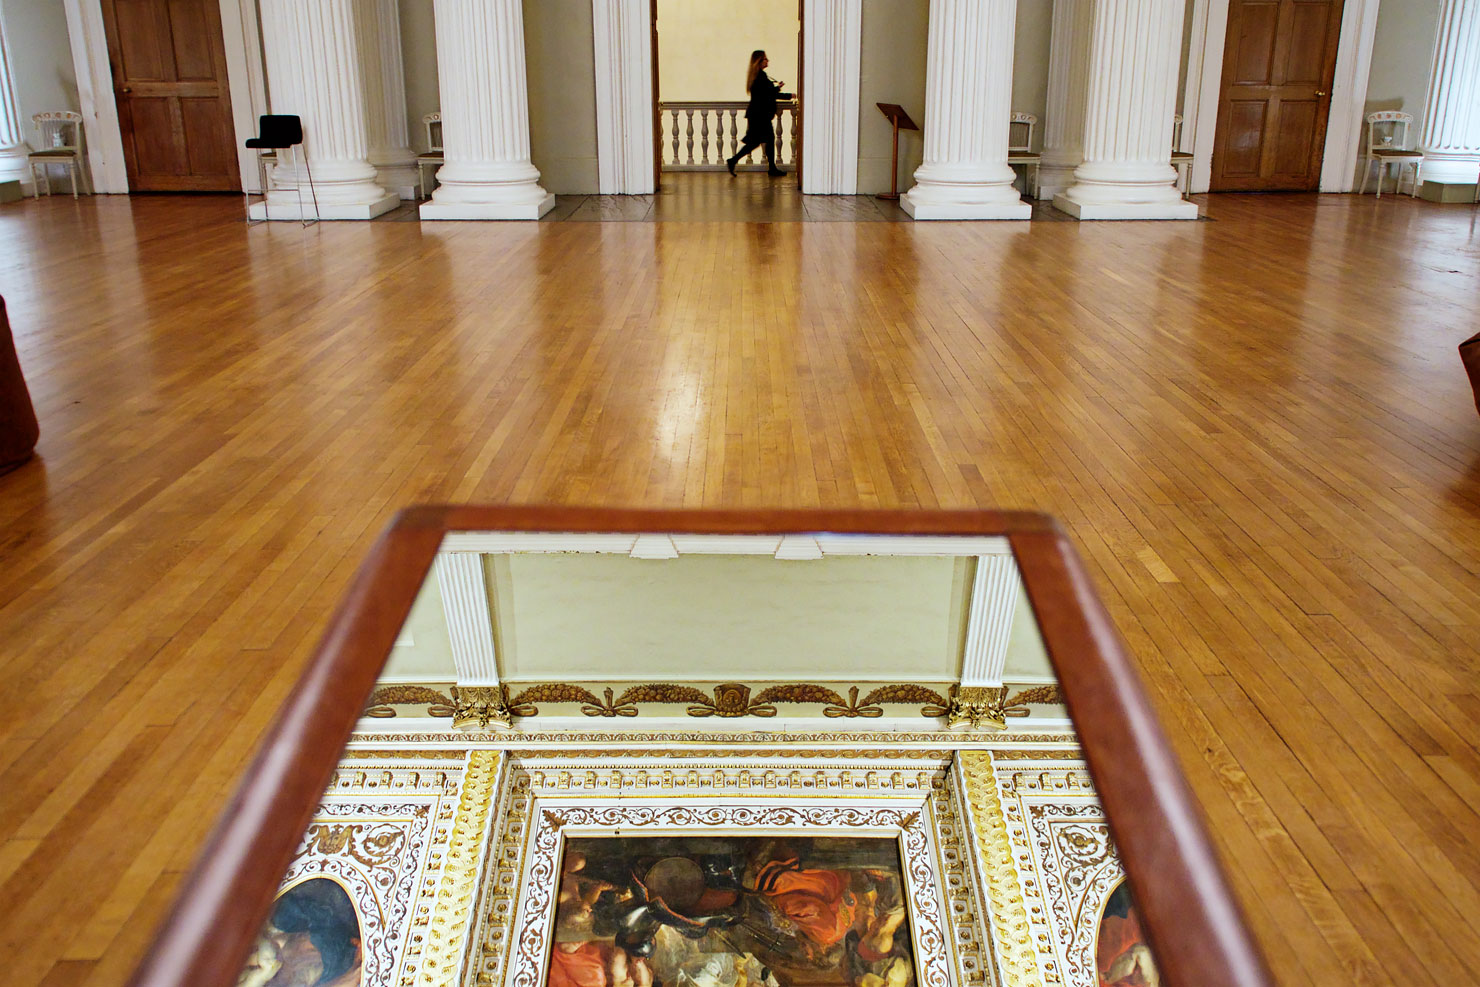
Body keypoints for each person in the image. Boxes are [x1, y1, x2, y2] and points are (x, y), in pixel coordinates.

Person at [726, 51, 791, 177]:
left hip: (758, 115)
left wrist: (778, 89)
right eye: (765, 59)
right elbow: (768, 94)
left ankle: (734, 161)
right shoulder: (760, 77)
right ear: (759, 61)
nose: (768, 61)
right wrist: (787, 94)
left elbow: (768, 92)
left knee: (758, 141)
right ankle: (770, 168)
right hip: (760, 115)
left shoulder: (758, 76)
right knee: (762, 140)